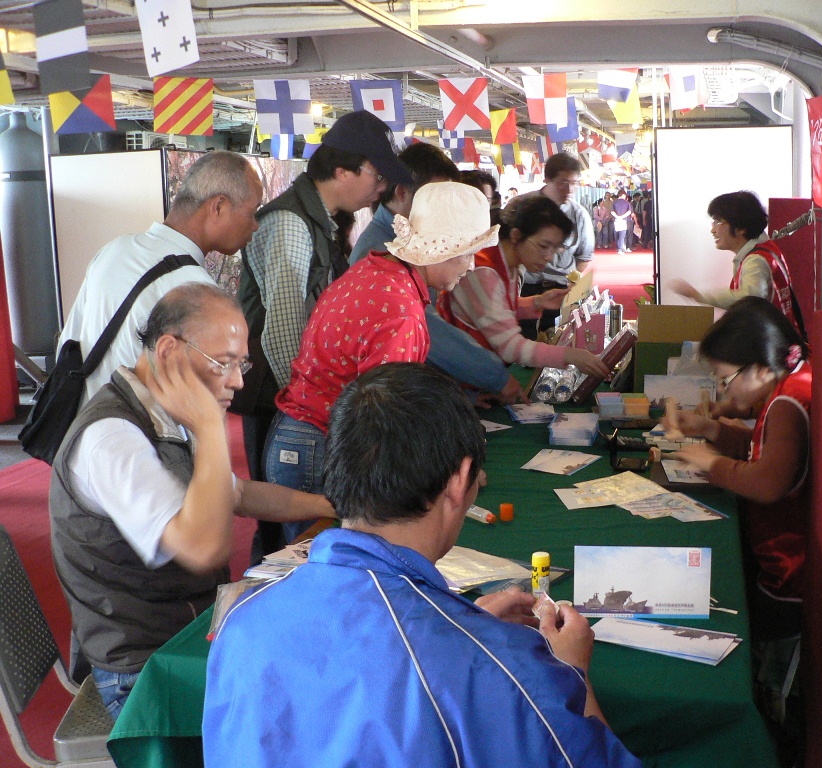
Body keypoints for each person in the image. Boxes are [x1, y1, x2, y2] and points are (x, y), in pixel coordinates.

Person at [203, 362, 643, 768]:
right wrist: (571, 674)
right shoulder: (504, 673)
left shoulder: (241, 621)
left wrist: (465, 630)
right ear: (460, 480)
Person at [49, 283, 334, 720]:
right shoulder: (112, 438)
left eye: (242, 364)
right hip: (144, 669)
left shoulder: (165, 412)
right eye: (224, 363)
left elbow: (237, 494)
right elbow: (202, 547)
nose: (238, 381)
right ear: (169, 350)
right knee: (306, 697)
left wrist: (330, 506)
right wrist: (210, 427)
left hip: (188, 630)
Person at [263, 182, 498, 538]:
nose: (471, 265)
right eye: (468, 253)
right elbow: (385, 422)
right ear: (442, 251)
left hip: (302, 437)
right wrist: (453, 472)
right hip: (319, 445)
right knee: (332, 568)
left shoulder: (379, 273)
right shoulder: (401, 310)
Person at [235, 110, 413, 484]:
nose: (381, 190)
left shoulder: (319, 219)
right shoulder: (291, 224)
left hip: (296, 404)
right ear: (344, 170)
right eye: (377, 176)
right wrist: (308, 410)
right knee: (286, 525)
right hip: (284, 404)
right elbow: (282, 334)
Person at [58, 151, 263, 409]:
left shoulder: (114, 250)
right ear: (218, 206)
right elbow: (199, 401)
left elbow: (67, 346)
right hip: (141, 435)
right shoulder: (196, 291)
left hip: (84, 424)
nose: (255, 225)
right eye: (252, 212)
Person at [660, 297, 811, 641]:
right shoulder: (796, 380)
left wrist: (708, 460)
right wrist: (711, 429)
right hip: (788, 567)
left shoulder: (788, 403)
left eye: (725, 378)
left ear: (760, 368)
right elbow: (770, 452)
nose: (723, 388)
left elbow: (767, 482)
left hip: (787, 578)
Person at [349, 145, 525, 405]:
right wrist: (493, 376)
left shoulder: (397, 263)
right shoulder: (385, 263)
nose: (471, 267)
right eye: (464, 253)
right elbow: (391, 387)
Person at [438, 195, 610, 378]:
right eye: (544, 246)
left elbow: (490, 309)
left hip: (474, 372)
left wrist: (536, 302)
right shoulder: (483, 270)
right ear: (516, 235)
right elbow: (510, 347)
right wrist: (570, 355)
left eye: (555, 248)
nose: (549, 257)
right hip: (458, 375)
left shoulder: (512, 264)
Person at [670, 190, 804, 337]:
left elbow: (749, 297)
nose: (713, 230)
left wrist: (697, 295)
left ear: (741, 228)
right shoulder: (765, 248)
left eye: (718, 222)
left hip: (768, 345)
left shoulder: (755, 260)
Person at [506, 154, 595, 339]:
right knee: (519, 337)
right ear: (547, 179)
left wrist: (572, 283)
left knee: (556, 338)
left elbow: (584, 256)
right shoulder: (519, 206)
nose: (570, 189)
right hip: (524, 286)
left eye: (575, 183)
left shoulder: (579, 214)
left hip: (559, 287)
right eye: (563, 182)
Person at [611, 188, 634, 254]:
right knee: (622, 234)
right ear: (623, 195)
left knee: (616, 235)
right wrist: (622, 217)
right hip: (623, 220)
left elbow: (612, 211)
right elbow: (629, 212)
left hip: (616, 220)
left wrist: (617, 217)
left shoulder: (614, 202)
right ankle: (620, 249)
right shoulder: (627, 202)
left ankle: (618, 247)